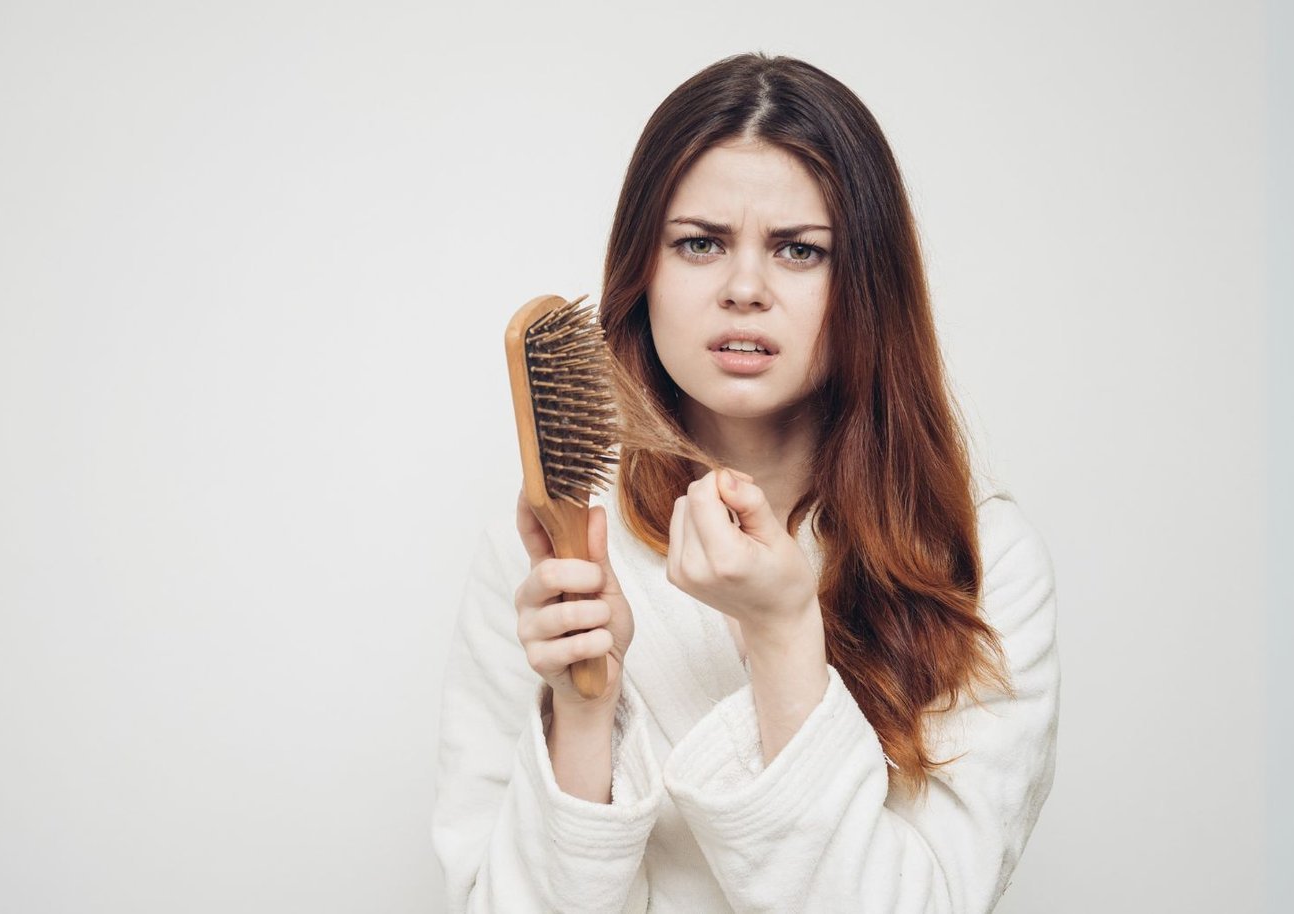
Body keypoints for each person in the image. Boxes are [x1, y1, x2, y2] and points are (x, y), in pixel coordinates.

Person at [431, 52, 1059, 914]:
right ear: (641, 271)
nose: (745, 289)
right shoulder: (550, 555)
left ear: (866, 285)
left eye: (800, 251)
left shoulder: (981, 564)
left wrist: (783, 633)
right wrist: (584, 713)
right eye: (699, 244)